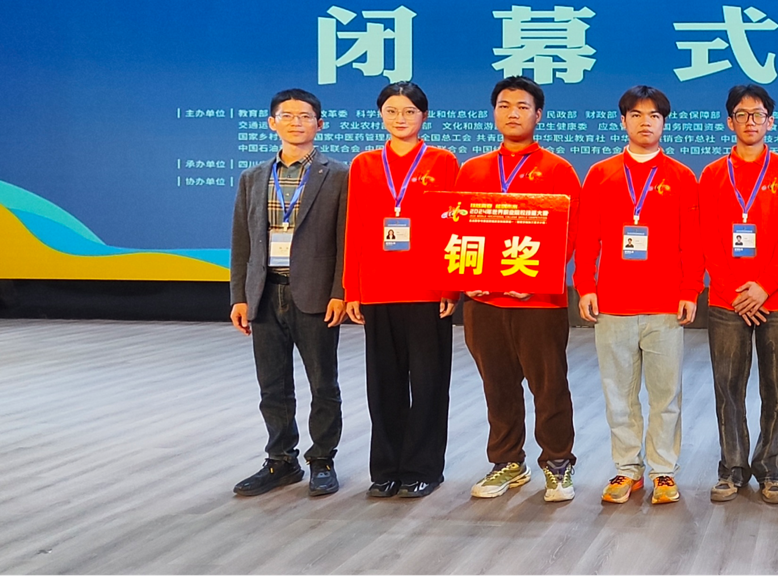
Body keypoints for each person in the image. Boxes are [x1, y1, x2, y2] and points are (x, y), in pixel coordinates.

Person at [574, 85, 704, 505]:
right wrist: (586, 284)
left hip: (665, 305)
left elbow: (692, 241)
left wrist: (690, 289)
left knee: (666, 395)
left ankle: (663, 471)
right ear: (623, 121)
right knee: (619, 394)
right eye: (636, 114)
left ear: (664, 123)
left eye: (654, 115)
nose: (645, 122)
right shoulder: (602, 173)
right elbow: (587, 236)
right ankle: (627, 470)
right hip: (613, 303)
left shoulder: (681, 176)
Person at [456, 76, 582, 502]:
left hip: (539, 301)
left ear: (538, 115)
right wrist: (468, 279)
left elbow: (569, 233)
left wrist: (535, 279)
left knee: (549, 385)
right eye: (505, 105)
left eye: (523, 106)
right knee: (498, 385)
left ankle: (558, 462)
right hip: (484, 301)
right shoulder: (473, 170)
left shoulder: (558, 169)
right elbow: (458, 227)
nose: (513, 113)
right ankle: (507, 461)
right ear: (494, 112)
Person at [229, 89, 348, 497]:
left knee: (323, 384)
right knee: (272, 386)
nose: (296, 122)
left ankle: (322, 459)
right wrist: (240, 296)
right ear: (272, 123)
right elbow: (243, 241)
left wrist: (340, 291)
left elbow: (345, 239)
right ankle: (281, 460)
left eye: (305, 116)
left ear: (320, 124)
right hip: (265, 293)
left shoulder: (339, 175)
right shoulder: (253, 177)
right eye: (287, 115)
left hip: (315, 295)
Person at [343, 82, 460, 499]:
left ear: (423, 116)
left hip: (428, 288)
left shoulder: (443, 161)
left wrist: (451, 285)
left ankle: (423, 468)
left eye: (409, 111)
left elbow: (453, 223)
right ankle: (386, 469)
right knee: (384, 385)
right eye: (392, 111)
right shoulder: (364, 164)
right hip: (378, 288)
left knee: (429, 384)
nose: (400, 118)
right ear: (381, 115)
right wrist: (352, 288)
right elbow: (355, 227)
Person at [698, 84, 778, 504]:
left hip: (776, 298)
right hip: (727, 301)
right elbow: (707, 239)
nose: (750, 121)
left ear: (770, 122)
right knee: (728, 388)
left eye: (758, 114)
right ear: (730, 122)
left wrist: (763, 287)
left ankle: (773, 470)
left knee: (777, 388)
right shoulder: (712, 174)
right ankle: (732, 469)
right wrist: (733, 291)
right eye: (741, 115)